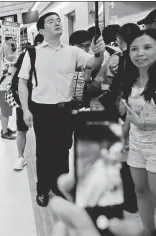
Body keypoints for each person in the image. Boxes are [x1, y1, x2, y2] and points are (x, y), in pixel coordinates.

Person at [18, 12, 106, 207]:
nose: (57, 23)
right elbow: (22, 83)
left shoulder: (73, 52)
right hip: (42, 110)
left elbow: (93, 63)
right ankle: (43, 189)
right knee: (44, 151)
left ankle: (60, 186)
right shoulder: (32, 53)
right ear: (41, 30)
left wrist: (99, 52)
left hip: (65, 110)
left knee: (63, 149)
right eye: (51, 21)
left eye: (59, 20)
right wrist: (25, 109)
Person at [118, 29, 156, 232]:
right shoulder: (132, 81)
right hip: (137, 146)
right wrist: (123, 134)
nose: (139, 53)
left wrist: (146, 124)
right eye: (134, 49)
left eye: (147, 47)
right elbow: (131, 115)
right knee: (140, 192)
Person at [9, 34, 44, 171]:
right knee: (22, 130)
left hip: (42, 100)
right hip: (24, 101)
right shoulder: (28, 55)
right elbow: (14, 75)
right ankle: (20, 157)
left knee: (42, 131)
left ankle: (41, 157)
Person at [0, 40, 17, 140]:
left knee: (5, 110)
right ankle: (4, 132)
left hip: (6, 88)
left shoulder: (5, 59)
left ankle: (5, 128)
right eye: (2, 47)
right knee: (5, 111)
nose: (5, 48)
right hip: (1, 90)